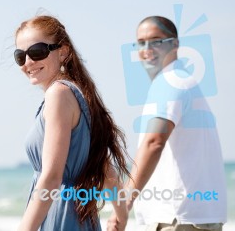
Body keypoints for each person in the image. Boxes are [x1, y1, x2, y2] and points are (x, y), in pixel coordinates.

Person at [108, 16, 227, 231]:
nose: (147, 48)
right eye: (141, 42)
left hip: (177, 219)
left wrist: (124, 202)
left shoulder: (170, 82)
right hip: (195, 217)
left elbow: (154, 141)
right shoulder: (183, 81)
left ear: (175, 43)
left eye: (156, 40)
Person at [14, 15, 130, 231]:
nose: (28, 62)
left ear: (63, 51)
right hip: (78, 216)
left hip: (60, 216)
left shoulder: (58, 94)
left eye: (37, 51)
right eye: (20, 56)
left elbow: (51, 178)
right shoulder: (78, 95)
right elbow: (104, 167)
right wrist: (120, 215)